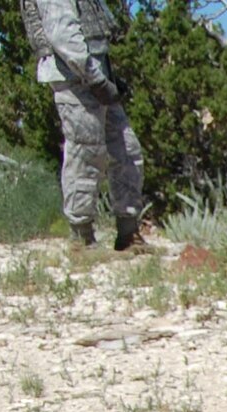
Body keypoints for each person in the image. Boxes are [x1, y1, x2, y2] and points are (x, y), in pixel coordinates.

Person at [20, 0, 144, 250]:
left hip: (93, 73)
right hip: (75, 78)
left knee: (127, 150)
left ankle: (128, 234)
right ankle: (81, 238)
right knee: (85, 153)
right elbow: (62, 34)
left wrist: (107, 75)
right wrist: (96, 78)